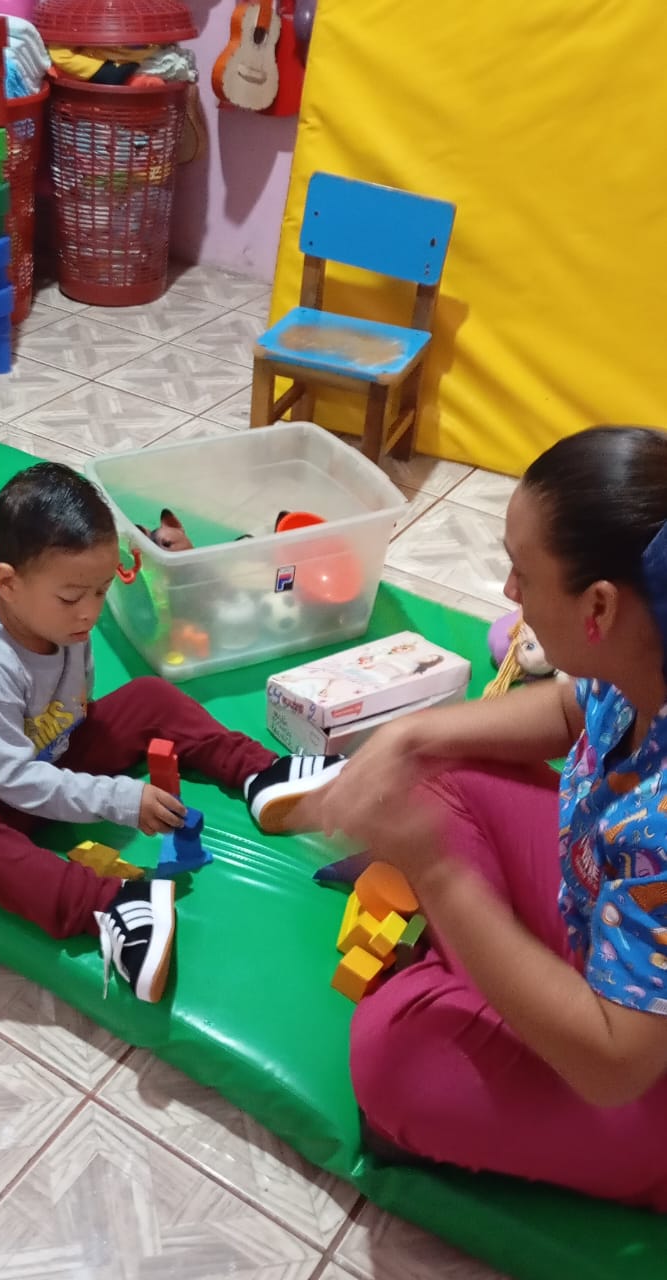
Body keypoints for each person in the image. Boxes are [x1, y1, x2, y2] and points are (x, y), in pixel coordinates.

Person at [315, 424, 667, 1212]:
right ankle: (493, 971)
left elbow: (614, 1065)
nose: (509, 593)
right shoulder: (643, 648)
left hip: (636, 1071)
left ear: (598, 606)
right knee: (438, 771)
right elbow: (570, 709)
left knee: (390, 1057)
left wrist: (438, 870)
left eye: (522, 573)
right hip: (605, 930)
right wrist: (410, 735)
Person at [0, 463, 343, 1004]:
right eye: (72, 597)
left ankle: (261, 774)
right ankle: (112, 903)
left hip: (56, 753)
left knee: (148, 696)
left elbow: (77, 711)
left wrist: (90, 759)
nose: (90, 612)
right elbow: (14, 781)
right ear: (9, 584)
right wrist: (117, 798)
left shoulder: (65, 624)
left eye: (100, 591)